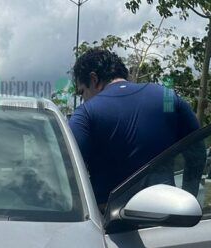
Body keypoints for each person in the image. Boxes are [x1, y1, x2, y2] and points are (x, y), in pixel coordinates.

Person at [68, 48, 201, 207]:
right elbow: (197, 153)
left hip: (110, 221)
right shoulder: (167, 98)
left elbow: (69, 172)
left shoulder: (86, 113)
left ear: (94, 79)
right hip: (166, 215)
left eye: (82, 92)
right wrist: (189, 199)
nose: (83, 99)